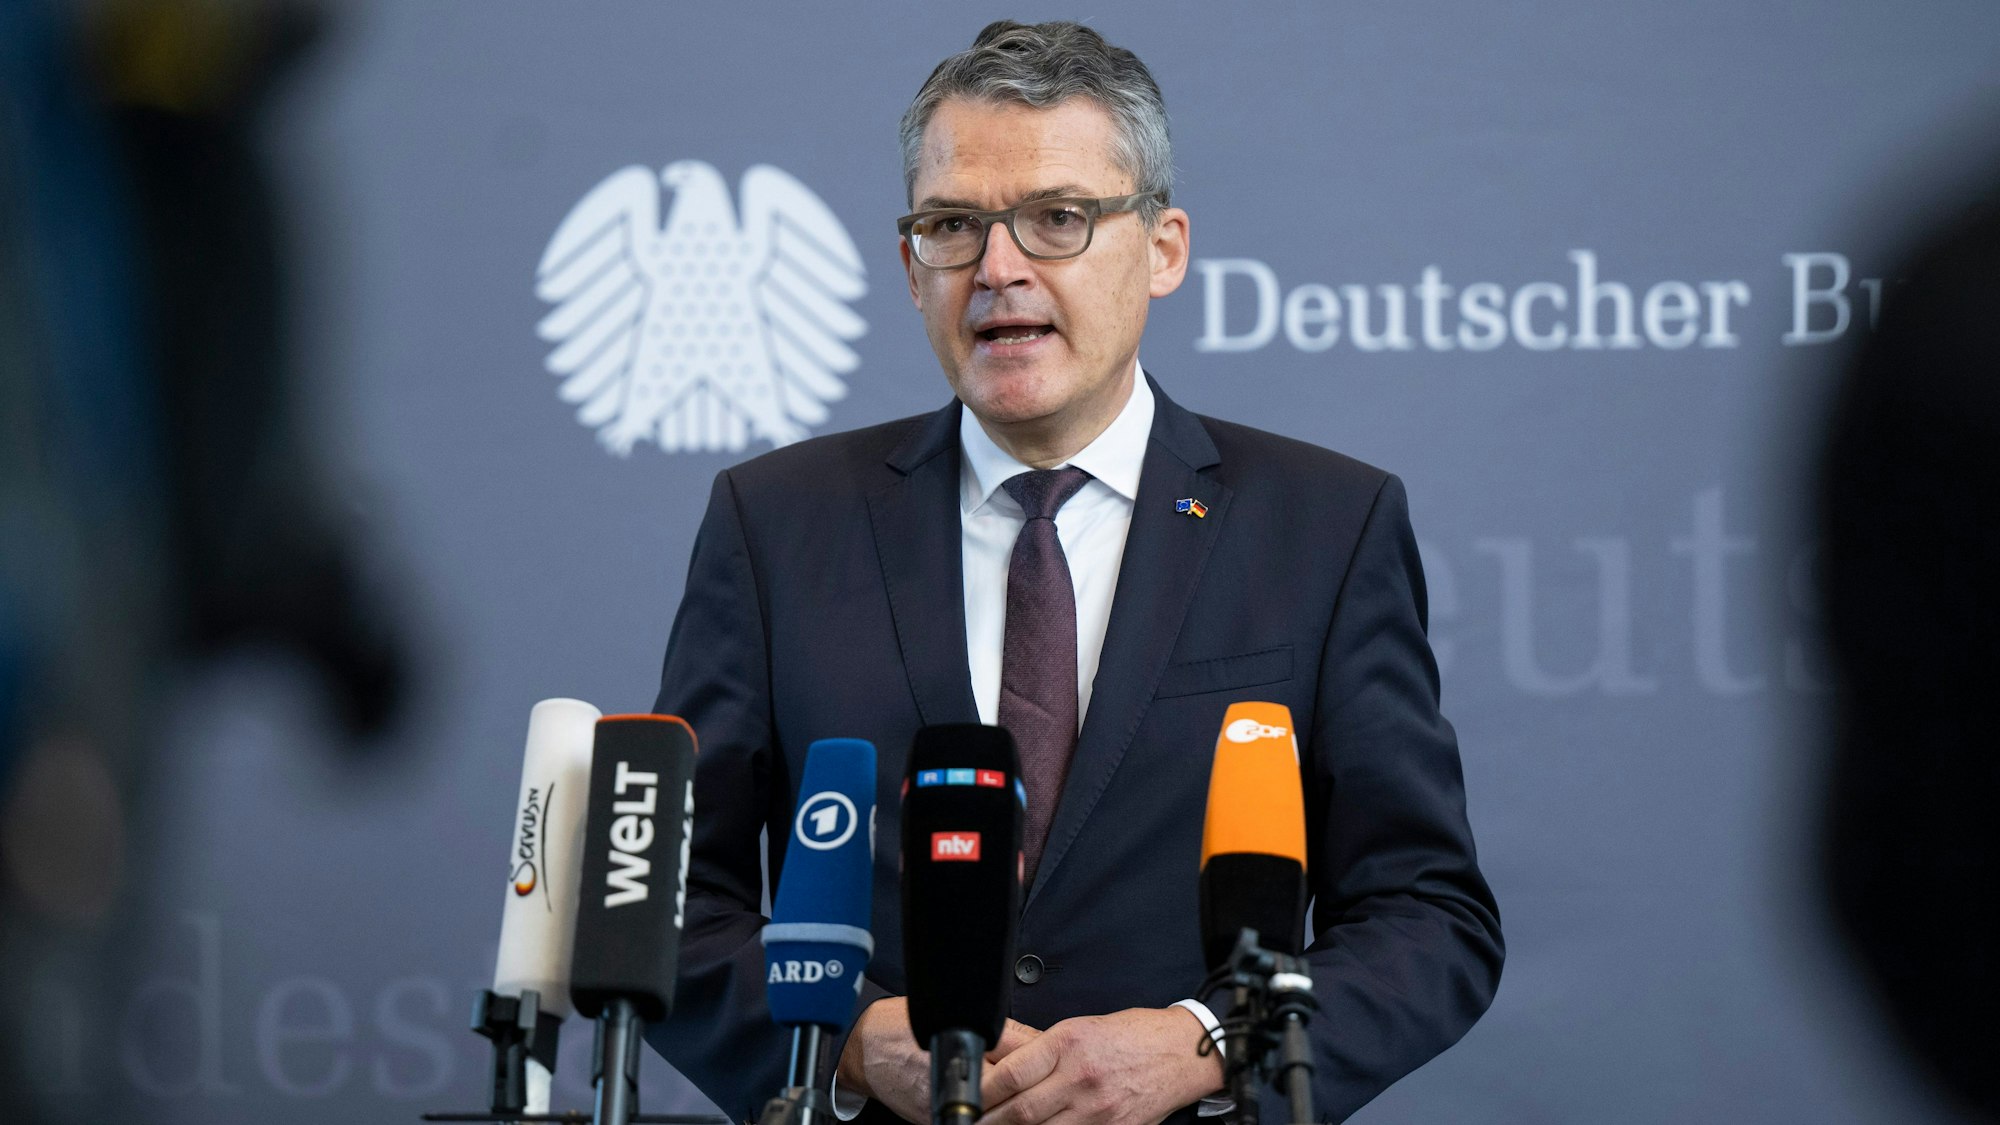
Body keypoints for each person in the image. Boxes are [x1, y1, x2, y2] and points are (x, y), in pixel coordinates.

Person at [646, 21, 1502, 1125]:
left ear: (1162, 248)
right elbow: (662, 909)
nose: (998, 268)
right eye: (954, 226)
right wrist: (850, 1043)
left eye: (1056, 218)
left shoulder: (1323, 527)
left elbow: (1427, 918)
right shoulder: (775, 523)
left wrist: (1207, 1044)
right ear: (912, 268)